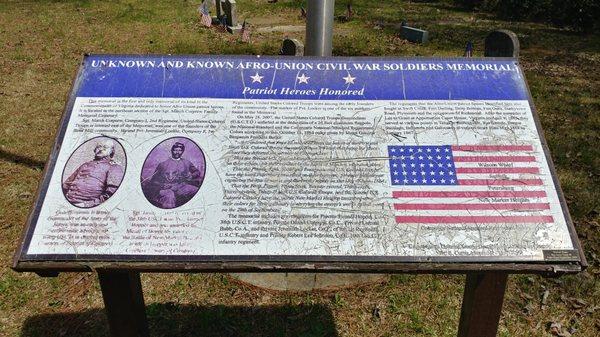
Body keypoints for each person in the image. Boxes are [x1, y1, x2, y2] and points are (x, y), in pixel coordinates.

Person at [62, 139, 124, 208]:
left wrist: (87, 205)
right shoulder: (85, 164)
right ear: (95, 149)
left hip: (86, 205)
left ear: (111, 151)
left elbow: (111, 194)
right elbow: (66, 185)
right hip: (67, 201)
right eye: (99, 146)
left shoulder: (114, 167)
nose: (101, 149)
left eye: (105, 147)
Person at [142, 142, 201, 209]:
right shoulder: (163, 164)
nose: (177, 152)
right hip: (167, 188)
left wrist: (191, 176)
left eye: (180, 150)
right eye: (175, 150)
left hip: (181, 186)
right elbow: (153, 181)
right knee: (170, 196)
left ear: (182, 151)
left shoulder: (186, 162)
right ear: (172, 150)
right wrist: (163, 185)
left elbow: (197, 172)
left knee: (196, 190)